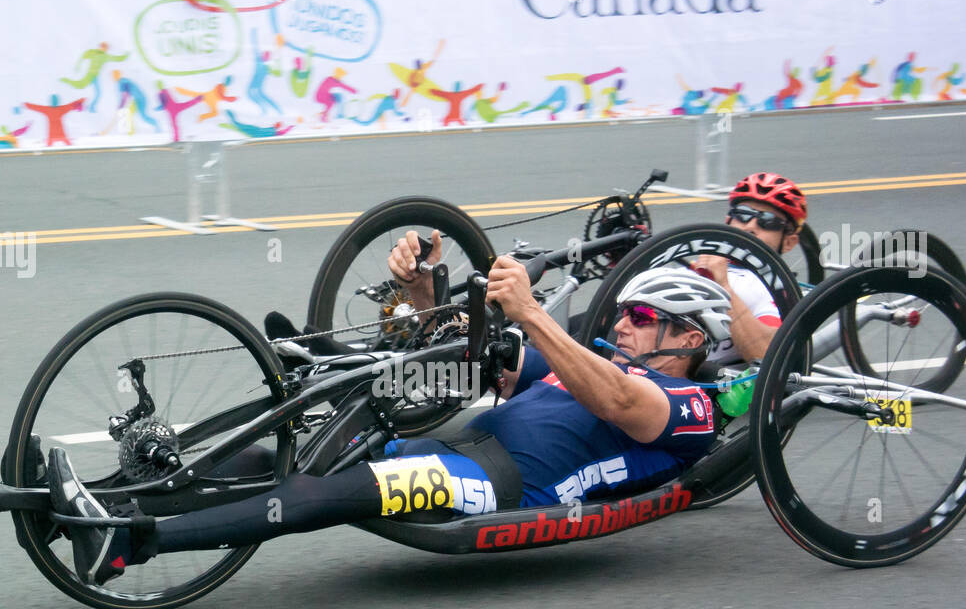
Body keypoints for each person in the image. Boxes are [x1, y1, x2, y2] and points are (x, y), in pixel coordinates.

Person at [46, 253, 731, 585]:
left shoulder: (689, 409)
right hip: (457, 443)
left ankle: (133, 543)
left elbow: (617, 402)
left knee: (324, 494)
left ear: (692, 338)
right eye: (624, 315)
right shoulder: (598, 355)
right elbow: (482, 354)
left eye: (644, 319)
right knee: (279, 458)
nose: (625, 326)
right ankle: (101, 501)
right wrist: (423, 293)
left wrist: (534, 312)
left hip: (498, 487)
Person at [692, 171, 807, 365]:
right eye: (743, 214)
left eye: (768, 221)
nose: (751, 227)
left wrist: (723, 286)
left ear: (788, 242)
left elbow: (765, 354)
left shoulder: (776, 291)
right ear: (728, 220)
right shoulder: (699, 261)